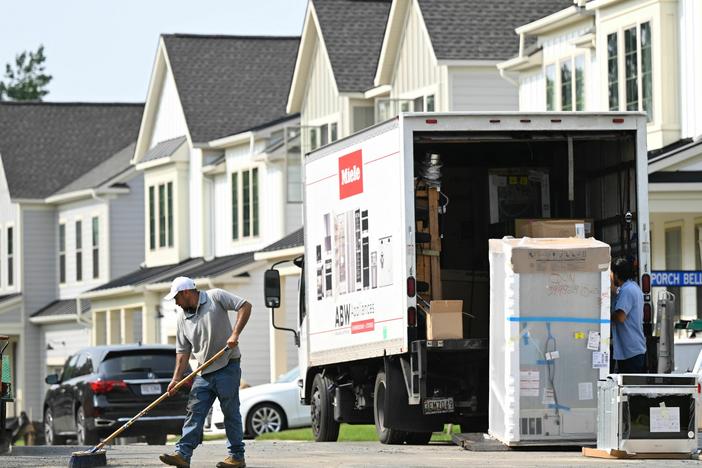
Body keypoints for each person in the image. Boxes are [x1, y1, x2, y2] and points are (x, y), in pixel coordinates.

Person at [159, 277, 251, 468]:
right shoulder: (182, 318)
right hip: (203, 372)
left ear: (185, 293)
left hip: (227, 365)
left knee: (230, 412)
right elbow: (183, 352)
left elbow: (245, 306)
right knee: (195, 411)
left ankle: (236, 457)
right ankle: (183, 455)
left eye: (176, 298)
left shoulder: (215, 297)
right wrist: (176, 379)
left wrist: (235, 334)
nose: (175, 302)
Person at [610, 257, 647, 373]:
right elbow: (616, 291)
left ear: (616, 274)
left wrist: (602, 316)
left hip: (631, 351)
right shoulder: (631, 287)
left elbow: (620, 317)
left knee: (630, 388)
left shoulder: (627, 291)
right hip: (632, 349)